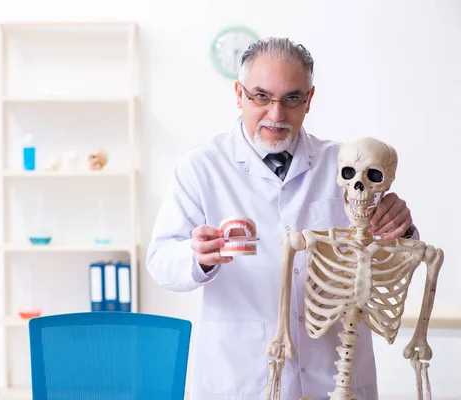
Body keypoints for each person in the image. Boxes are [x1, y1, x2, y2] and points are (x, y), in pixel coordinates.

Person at [146, 37, 418, 400]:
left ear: (309, 100)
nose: (276, 115)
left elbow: (390, 253)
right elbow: (161, 260)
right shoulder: (201, 168)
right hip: (240, 374)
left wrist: (403, 228)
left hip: (334, 375)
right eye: (261, 96)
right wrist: (197, 257)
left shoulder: (349, 166)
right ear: (238, 94)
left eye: (291, 98)